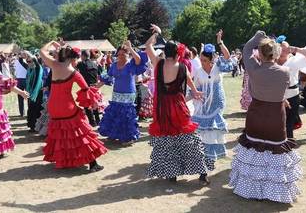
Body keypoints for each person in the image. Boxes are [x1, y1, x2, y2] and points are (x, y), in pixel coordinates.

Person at [229, 31, 301, 203]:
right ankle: (274, 192)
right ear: (275, 53)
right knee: (275, 151)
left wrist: (255, 38)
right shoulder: (284, 71)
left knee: (255, 149)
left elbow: (246, 50)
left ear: (259, 53)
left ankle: (253, 189)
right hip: (276, 115)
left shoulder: (254, 68)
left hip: (256, 113)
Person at [145, 24, 214, 184]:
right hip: (178, 107)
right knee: (189, 139)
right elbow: (192, 86)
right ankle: (202, 172)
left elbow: (148, 45)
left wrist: (157, 33)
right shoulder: (183, 67)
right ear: (178, 54)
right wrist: (196, 92)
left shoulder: (158, 64)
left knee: (167, 140)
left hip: (163, 108)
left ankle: (172, 173)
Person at [40, 40, 107, 172]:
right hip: (67, 107)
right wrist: (91, 104)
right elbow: (86, 90)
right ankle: (93, 163)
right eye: (77, 60)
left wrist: (52, 42)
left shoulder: (54, 65)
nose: (78, 62)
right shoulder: (75, 73)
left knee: (62, 133)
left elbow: (41, 51)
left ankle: (65, 161)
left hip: (53, 106)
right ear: (72, 59)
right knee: (82, 134)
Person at [96, 41, 148, 145]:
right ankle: (113, 135)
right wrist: (95, 88)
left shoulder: (131, 64)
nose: (120, 56)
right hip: (116, 93)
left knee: (126, 115)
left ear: (128, 54)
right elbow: (106, 78)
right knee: (115, 113)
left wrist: (130, 47)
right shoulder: (114, 65)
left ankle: (128, 138)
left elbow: (138, 60)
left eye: (123, 54)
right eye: (118, 54)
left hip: (128, 94)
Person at [191, 30, 232, 160]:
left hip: (217, 103)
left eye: (204, 60)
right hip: (203, 104)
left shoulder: (218, 67)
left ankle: (212, 155)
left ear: (211, 60)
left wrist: (220, 42)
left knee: (214, 128)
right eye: (201, 60)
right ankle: (204, 154)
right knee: (203, 130)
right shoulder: (198, 72)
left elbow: (227, 56)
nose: (202, 62)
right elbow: (194, 88)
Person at [277, 40, 306, 139]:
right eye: (280, 48)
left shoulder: (294, 60)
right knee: (277, 121)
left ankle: (288, 142)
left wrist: (296, 49)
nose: (283, 50)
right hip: (276, 95)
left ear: (289, 50)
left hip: (292, 94)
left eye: (285, 48)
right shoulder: (272, 60)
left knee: (289, 122)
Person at [76, 49, 102, 127]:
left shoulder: (81, 64)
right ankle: (97, 119)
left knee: (86, 105)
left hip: (86, 87)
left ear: (83, 56)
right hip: (94, 86)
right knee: (95, 104)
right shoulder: (95, 64)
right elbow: (99, 74)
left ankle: (92, 122)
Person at [23, 51, 43, 132]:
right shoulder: (29, 69)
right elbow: (22, 62)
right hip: (30, 92)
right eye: (27, 62)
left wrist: (29, 55)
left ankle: (36, 126)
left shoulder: (38, 68)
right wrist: (24, 55)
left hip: (37, 92)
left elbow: (36, 62)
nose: (28, 63)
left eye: (30, 61)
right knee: (31, 109)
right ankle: (32, 126)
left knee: (36, 109)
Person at [14, 53, 28, 117]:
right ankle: (22, 112)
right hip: (22, 79)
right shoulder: (25, 61)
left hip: (21, 79)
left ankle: (23, 112)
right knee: (23, 96)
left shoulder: (17, 61)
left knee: (23, 97)